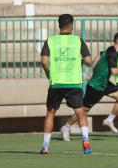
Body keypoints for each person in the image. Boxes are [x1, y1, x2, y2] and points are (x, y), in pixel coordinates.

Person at [61, 32, 118, 141]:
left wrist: (94, 70)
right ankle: (66, 127)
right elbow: (114, 70)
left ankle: (109, 119)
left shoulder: (111, 50)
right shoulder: (113, 53)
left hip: (105, 83)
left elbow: (98, 55)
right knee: (84, 110)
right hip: (95, 86)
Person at [39, 14, 92, 154]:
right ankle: (86, 142)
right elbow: (88, 60)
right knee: (80, 112)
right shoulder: (77, 40)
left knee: (50, 113)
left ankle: (45, 146)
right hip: (74, 82)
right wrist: (80, 61)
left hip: (56, 82)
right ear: (71, 26)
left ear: (59, 26)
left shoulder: (50, 40)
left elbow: (44, 61)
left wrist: (49, 74)